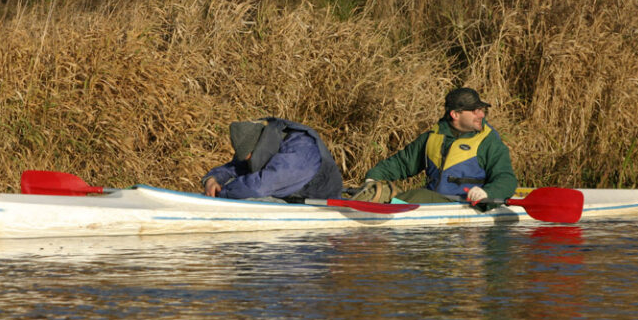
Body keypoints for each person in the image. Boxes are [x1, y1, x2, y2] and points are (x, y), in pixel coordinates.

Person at [359, 87, 517, 206]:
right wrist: (373, 177)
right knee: (408, 195)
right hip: (434, 204)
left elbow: (506, 178)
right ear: (455, 115)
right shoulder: (432, 137)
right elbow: (401, 163)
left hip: (466, 204)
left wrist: (487, 193)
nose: (481, 115)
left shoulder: (489, 142)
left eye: (481, 110)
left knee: (418, 196)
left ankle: (388, 206)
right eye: (475, 111)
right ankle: (372, 202)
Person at [202, 117, 343, 201]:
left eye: (249, 158)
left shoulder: (302, 149)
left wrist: (223, 192)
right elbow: (234, 168)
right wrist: (213, 179)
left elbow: (260, 187)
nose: (248, 161)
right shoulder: (264, 146)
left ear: (257, 147)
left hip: (320, 203)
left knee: (251, 193)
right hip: (287, 199)